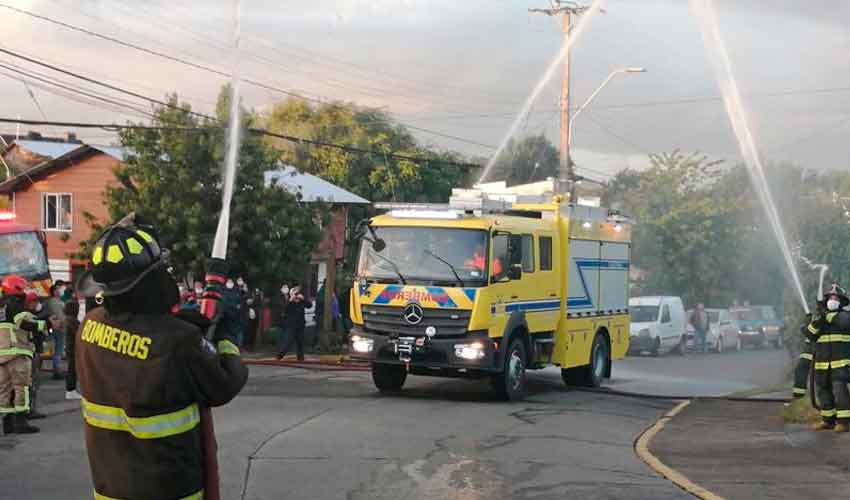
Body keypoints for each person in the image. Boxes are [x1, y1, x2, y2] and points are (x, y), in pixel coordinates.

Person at [75, 214, 248, 499]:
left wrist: (181, 323)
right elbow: (225, 384)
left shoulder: (89, 326)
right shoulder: (178, 340)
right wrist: (227, 338)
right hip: (170, 489)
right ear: (151, 280)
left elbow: (139, 333)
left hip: (110, 488)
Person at [804, 283, 850, 432]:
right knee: (823, 392)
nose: (833, 299)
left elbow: (843, 322)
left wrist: (825, 315)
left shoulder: (845, 316)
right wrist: (817, 318)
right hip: (822, 364)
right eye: (830, 297)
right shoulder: (822, 319)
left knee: (839, 391)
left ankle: (844, 423)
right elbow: (809, 333)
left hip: (840, 364)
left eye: (836, 297)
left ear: (841, 301)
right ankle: (828, 420)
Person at [0, 275, 43, 434]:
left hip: (2, 355)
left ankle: (7, 424)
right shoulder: (15, 303)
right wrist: (43, 324)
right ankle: (21, 422)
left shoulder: (1, 305)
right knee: (21, 387)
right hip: (17, 352)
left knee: (4, 389)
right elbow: (23, 324)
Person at [277, 285, 311, 361]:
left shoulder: (301, 301)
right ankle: (280, 356)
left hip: (300, 324)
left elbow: (309, 305)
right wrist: (291, 300)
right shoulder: (290, 302)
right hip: (291, 325)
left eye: (297, 294)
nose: (296, 296)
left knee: (300, 342)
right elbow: (285, 309)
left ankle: (300, 358)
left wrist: (303, 299)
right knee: (287, 342)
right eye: (295, 294)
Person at [44, 282, 67, 380]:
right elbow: (60, 316)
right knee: (58, 350)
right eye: (58, 289)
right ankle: (57, 370)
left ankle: (57, 369)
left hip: (58, 328)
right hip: (59, 328)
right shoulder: (55, 302)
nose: (61, 290)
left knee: (57, 349)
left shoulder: (54, 301)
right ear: (54, 291)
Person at [63, 299, 81, 400]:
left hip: (70, 347)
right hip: (73, 348)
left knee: (72, 368)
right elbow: (79, 333)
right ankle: (71, 390)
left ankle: (71, 390)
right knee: (72, 369)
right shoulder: (73, 320)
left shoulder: (68, 319)